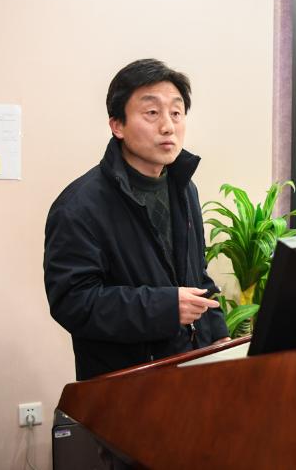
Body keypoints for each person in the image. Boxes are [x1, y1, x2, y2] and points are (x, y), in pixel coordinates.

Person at [44, 59, 229, 381]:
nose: (168, 126)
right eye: (152, 113)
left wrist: (218, 337)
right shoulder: (79, 205)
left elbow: (196, 275)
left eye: (176, 112)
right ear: (117, 125)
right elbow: (73, 303)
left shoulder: (184, 189)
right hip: (126, 384)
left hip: (187, 371)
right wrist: (164, 308)